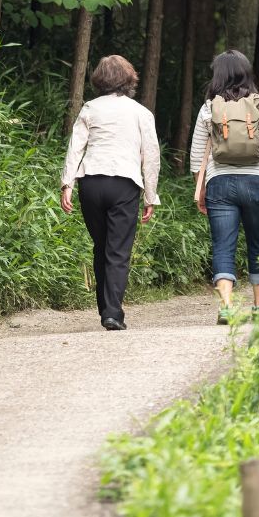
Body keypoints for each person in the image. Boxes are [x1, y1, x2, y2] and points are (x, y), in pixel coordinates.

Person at [190, 50, 259, 324]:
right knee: (258, 244)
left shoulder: (209, 107)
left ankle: (226, 306)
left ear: (218, 75)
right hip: (257, 181)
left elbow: (196, 155)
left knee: (223, 246)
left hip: (219, 183)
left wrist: (200, 189)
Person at [60, 55, 160, 331]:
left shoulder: (90, 108)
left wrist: (67, 183)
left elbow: (75, 147)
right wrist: (151, 195)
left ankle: (106, 308)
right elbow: (150, 156)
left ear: (99, 79)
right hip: (124, 184)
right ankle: (112, 312)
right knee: (117, 251)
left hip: (90, 183)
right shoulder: (141, 112)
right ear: (129, 79)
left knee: (102, 246)